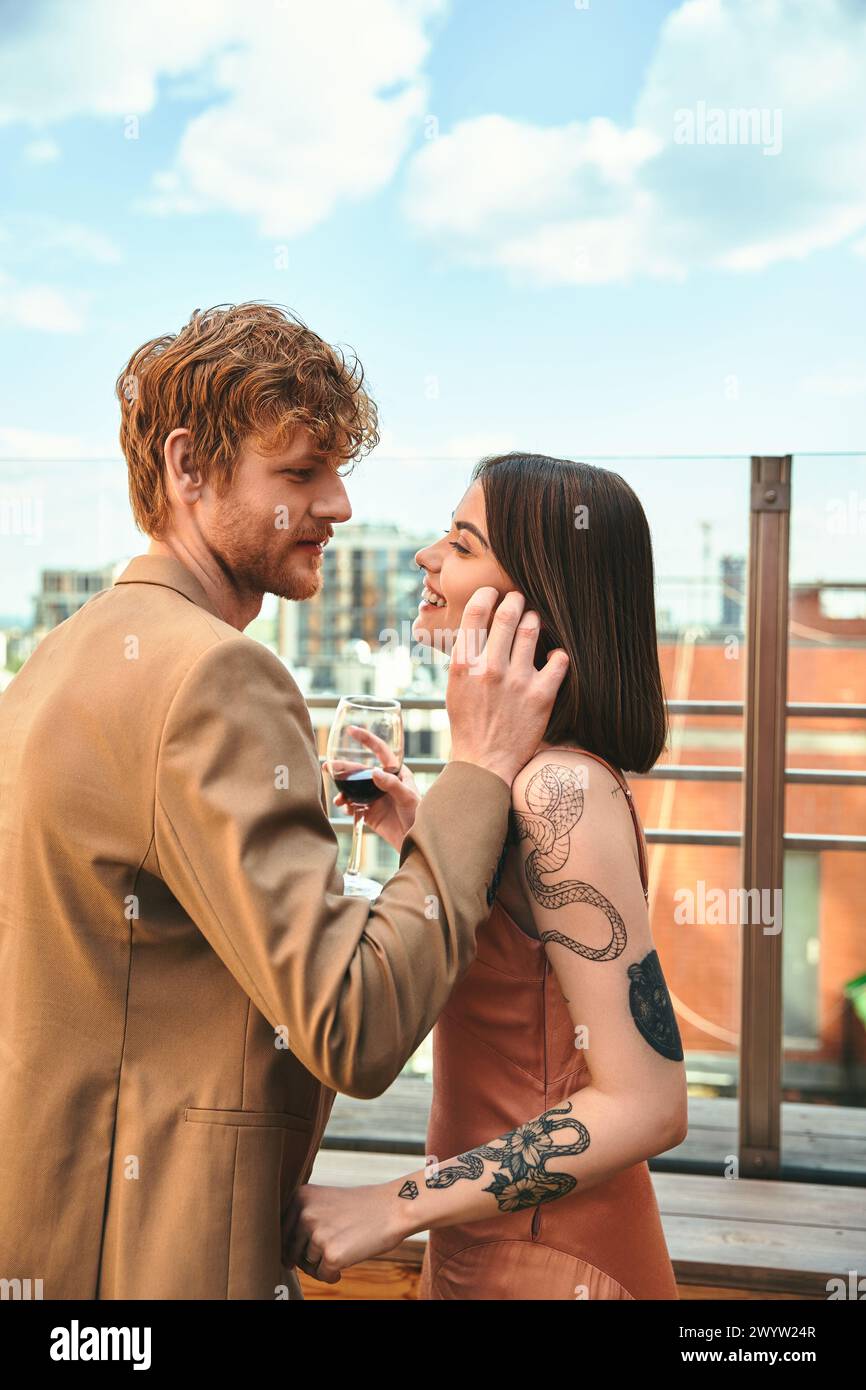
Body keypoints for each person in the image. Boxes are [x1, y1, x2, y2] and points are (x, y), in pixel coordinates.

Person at [0, 305, 569, 1300]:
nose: (340, 504)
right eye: (299, 473)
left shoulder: (52, 662)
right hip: (154, 1257)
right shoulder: (218, 677)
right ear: (189, 467)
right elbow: (352, 1025)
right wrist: (477, 772)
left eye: (336, 471)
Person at [286, 454, 687, 1300]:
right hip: (481, 1242)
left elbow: (649, 1105)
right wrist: (420, 836)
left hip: (554, 1257)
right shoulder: (521, 783)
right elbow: (520, 982)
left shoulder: (558, 791)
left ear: (530, 602)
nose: (427, 556)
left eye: (461, 543)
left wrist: (390, 1207)